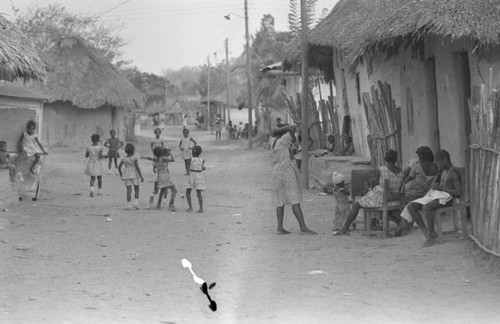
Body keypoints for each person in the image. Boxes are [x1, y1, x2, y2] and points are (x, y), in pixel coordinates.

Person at [399, 150, 461, 247]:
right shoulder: (444, 172)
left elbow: (458, 192)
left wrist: (442, 188)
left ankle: (432, 236)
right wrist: (437, 186)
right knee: (411, 206)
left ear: (444, 160)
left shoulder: (453, 173)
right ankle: (426, 231)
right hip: (440, 197)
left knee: (426, 208)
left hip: (447, 200)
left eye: (438, 163)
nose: (437, 166)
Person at [333, 149, 403, 235]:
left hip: (382, 197)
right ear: (395, 160)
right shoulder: (401, 172)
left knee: (356, 205)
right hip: (394, 198)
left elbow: (375, 184)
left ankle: (344, 229)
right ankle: (385, 223)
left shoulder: (381, 169)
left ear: (385, 159)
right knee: (370, 200)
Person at [271, 124, 316, 235]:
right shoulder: (284, 140)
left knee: (279, 200)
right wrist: (280, 129)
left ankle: (280, 228)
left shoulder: (273, 140)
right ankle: (303, 227)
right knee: (294, 199)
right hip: (287, 172)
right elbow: (293, 127)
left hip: (277, 172)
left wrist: (277, 131)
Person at [394, 146, 438, 236]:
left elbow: (409, 179)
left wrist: (402, 187)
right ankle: (407, 223)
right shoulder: (436, 167)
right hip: (426, 192)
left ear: (421, 157)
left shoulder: (417, 166)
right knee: (404, 197)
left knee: (401, 197)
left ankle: (406, 224)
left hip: (414, 192)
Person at [118, 143, 144, 210]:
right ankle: (135, 203)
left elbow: (119, 167)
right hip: (134, 174)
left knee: (128, 190)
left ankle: (128, 205)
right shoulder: (134, 157)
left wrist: (121, 175)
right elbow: (137, 167)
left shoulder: (124, 159)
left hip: (126, 175)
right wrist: (141, 176)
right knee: (137, 189)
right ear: (133, 151)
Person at [186, 145, 206, 213]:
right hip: (199, 176)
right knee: (199, 193)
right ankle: (201, 208)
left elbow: (189, 166)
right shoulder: (202, 160)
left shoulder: (190, 159)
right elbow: (201, 168)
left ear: (192, 152)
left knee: (188, 191)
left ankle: (190, 207)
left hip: (192, 176)